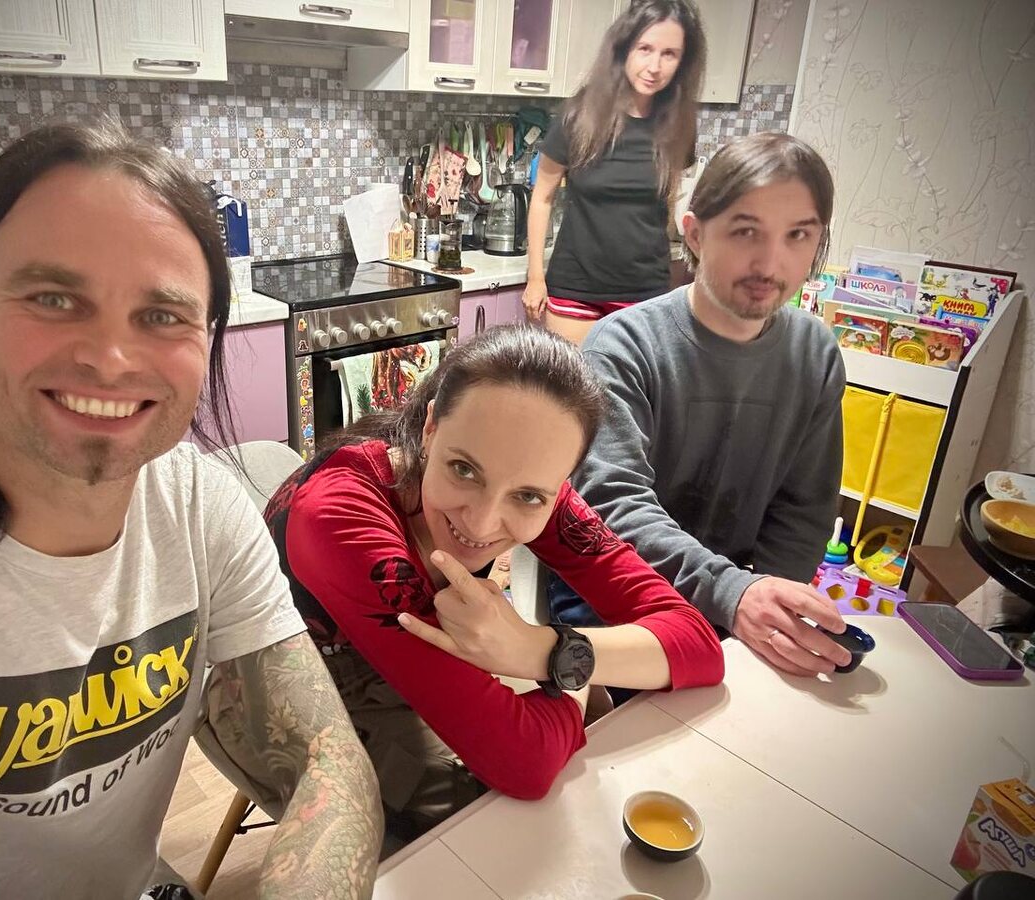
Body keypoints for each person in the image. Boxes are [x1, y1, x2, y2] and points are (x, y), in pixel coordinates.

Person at [0, 121, 382, 898]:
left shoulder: (200, 509)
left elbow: (328, 755)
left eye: (162, 315)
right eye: (54, 298)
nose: (110, 359)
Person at [208, 325, 724, 848]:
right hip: (278, 685)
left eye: (529, 496)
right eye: (463, 470)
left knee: (577, 744)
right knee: (475, 828)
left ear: (560, 482)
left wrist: (545, 650)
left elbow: (698, 644)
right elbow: (524, 763)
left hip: (410, 653)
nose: (481, 523)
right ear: (430, 427)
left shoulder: (531, 483)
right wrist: (572, 672)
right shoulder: (339, 514)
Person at [550, 131, 854, 679]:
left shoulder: (815, 354)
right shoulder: (623, 346)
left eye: (798, 235)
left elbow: (803, 512)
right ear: (694, 234)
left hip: (730, 603)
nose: (770, 262)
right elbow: (614, 506)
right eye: (745, 231)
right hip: (614, 599)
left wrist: (770, 609)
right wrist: (733, 593)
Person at [523, 0, 706, 345]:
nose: (654, 66)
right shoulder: (580, 116)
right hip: (576, 287)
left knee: (632, 383)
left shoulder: (679, 125)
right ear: (624, 49)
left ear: (683, 62)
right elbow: (542, 197)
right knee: (574, 381)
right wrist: (535, 278)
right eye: (645, 49)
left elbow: (668, 197)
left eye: (669, 54)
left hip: (645, 291)